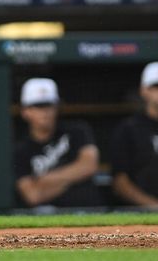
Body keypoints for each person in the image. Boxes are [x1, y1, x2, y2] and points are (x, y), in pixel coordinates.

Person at [14, 78, 102, 208]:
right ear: (25, 111)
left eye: (49, 105)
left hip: (87, 209)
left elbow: (89, 165)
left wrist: (46, 179)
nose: (45, 112)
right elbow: (33, 195)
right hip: (46, 216)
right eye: (38, 106)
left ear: (57, 107)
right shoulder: (20, 150)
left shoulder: (77, 131)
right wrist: (74, 177)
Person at [110, 62, 158, 208]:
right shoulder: (128, 129)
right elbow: (119, 181)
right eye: (157, 87)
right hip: (143, 211)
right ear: (143, 91)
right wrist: (155, 206)